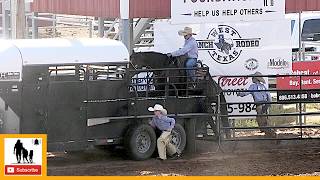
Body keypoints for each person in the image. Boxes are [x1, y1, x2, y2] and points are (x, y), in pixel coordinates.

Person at [237, 72, 276, 137]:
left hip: (259, 105)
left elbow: (246, 93)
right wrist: (269, 104)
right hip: (266, 104)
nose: (252, 78)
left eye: (253, 77)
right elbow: (269, 96)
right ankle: (269, 134)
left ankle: (272, 134)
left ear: (256, 79)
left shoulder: (253, 86)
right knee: (265, 120)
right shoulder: (263, 86)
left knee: (261, 121)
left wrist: (239, 93)